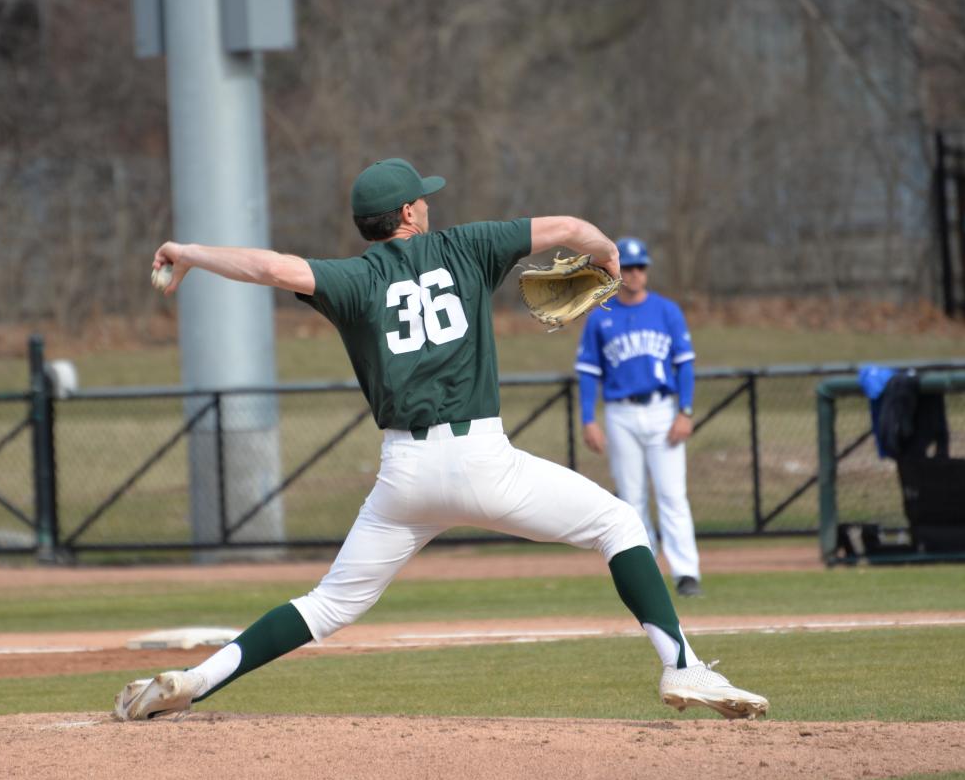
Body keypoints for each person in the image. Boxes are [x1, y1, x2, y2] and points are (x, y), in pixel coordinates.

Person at [116, 159, 767, 722]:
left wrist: (190, 253)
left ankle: (193, 682)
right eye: (421, 196)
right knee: (617, 522)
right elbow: (570, 230)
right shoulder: (467, 247)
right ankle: (679, 664)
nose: (429, 203)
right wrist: (605, 256)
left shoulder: (355, 279)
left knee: (328, 604)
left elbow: (269, 268)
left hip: (406, 475)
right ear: (406, 212)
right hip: (484, 460)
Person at [575, 237, 705, 597]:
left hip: (663, 411)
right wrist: (588, 418)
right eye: (628, 267)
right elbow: (588, 372)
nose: (634, 274)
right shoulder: (601, 314)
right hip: (620, 413)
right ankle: (646, 575)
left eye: (640, 267)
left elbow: (685, 366)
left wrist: (686, 410)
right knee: (631, 498)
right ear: (614, 271)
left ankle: (686, 573)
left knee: (672, 494)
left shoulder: (667, 311)